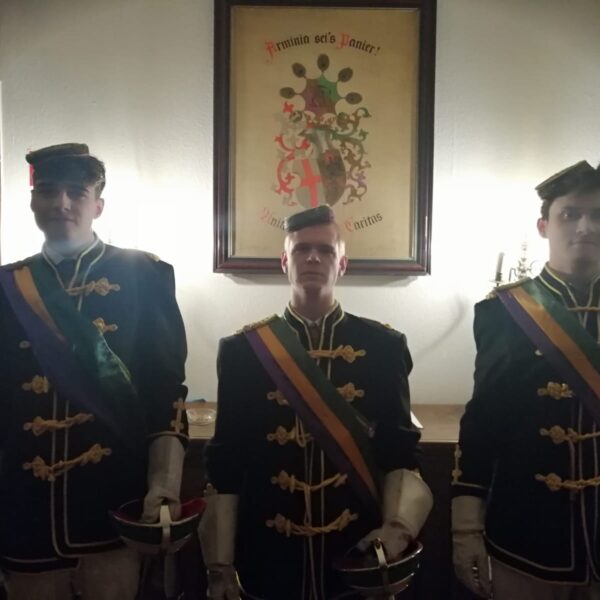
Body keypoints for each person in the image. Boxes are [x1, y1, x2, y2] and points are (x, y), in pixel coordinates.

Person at [199, 205, 433, 600]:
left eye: (325, 250)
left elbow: (399, 450)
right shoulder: (242, 351)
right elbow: (227, 460)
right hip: (268, 553)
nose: (312, 258)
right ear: (284, 262)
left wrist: (397, 531)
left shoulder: (384, 347)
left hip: (356, 551)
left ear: (342, 264)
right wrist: (219, 564)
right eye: (301, 249)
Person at [0, 143, 188, 600]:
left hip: (113, 502)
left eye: (76, 192)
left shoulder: (145, 275)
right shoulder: (7, 286)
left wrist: (164, 485)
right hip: (24, 508)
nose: (61, 203)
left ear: (98, 205)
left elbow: (165, 393)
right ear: (32, 202)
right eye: (48, 191)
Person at [452, 160, 600, 599]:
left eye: (597, 215)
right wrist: (465, 529)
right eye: (569, 214)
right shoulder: (503, 313)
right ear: (543, 226)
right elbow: (482, 425)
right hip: (526, 537)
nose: (585, 226)